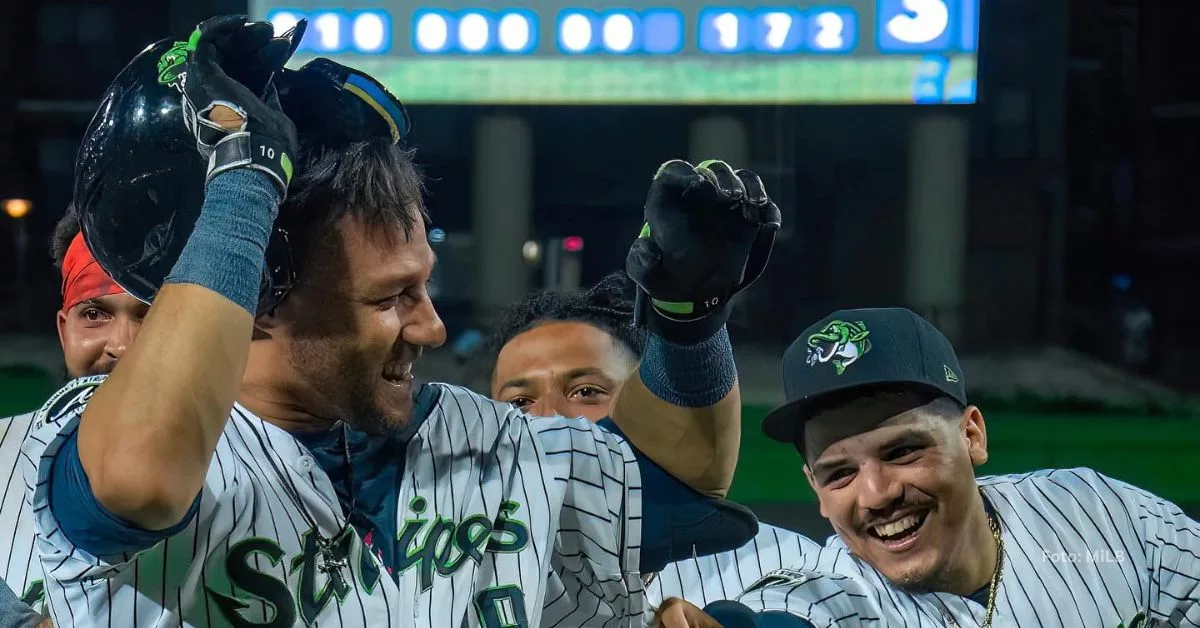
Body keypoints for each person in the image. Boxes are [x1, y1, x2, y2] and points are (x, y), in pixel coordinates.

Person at [24, 16, 780, 628]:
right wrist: (243, 185)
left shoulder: (491, 440)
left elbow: (683, 471)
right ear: (257, 301)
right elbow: (141, 479)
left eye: (422, 287)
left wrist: (687, 322)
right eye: (389, 299)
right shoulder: (91, 431)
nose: (431, 328)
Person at [659, 307, 1200, 627]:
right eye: (838, 472)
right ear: (815, 492)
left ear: (972, 435)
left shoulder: (1097, 517)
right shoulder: (839, 590)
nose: (875, 493)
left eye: (902, 451)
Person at [490, 272, 826, 605]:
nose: (549, 419)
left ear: (653, 405)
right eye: (518, 403)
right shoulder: (459, 571)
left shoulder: (775, 563)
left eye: (586, 392)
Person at [0, 207, 147, 622]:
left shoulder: (259, 462)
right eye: (94, 314)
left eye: (151, 316)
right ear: (65, 331)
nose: (121, 345)